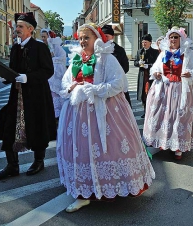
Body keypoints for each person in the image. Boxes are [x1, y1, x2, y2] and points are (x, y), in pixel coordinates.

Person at [57, 23, 155, 212]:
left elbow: (119, 83)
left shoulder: (106, 58)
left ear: (96, 39)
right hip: (78, 114)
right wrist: (71, 87)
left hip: (104, 110)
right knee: (81, 150)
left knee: (108, 149)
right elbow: (66, 80)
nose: (83, 41)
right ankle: (83, 192)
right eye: (81, 38)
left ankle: (112, 185)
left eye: (87, 38)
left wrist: (95, 89)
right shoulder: (77, 58)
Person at [0, 12, 56, 180]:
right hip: (17, 95)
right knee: (8, 125)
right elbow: (13, 71)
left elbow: (48, 71)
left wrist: (28, 77)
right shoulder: (15, 48)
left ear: (30, 29)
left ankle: (39, 161)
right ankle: (12, 165)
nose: (17, 29)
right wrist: (5, 77)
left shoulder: (40, 47)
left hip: (36, 95)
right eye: (16, 26)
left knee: (37, 125)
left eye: (20, 26)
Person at [143, 27, 193, 160]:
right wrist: (155, 73)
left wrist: (191, 72)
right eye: (171, 37)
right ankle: (163, 141)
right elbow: (156, 67)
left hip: (182, 88)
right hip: (164, 88)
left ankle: (178, 146)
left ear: (181, 39)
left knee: (180, 116)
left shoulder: (188, 53)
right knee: (164, 116)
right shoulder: (163, 53)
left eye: (176, 37)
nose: (173, 40)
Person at [101, 24, 131, 107]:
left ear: (112, 37)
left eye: (107, 36)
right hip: (102, 85)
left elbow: (126, 67)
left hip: (116, 84)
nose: (104, 39)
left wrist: (115, 76)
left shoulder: (119, 50)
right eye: (103, 36)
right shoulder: (98, 49)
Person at [42, 29, 67, 119]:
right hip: (45, 80)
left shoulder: (55, 47)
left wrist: (52, 60)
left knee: (55, 98)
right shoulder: (41, 47)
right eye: (42, 37)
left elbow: (62, 58)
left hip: (54, 79)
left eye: (44, 37)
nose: (43, 39)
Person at [134, 34, 159, 118]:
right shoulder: (139, 51)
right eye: (142, 42)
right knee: (143, 95)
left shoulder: (155, 52)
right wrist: (139, 63)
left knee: (150, 93)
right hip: (142, 76)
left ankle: (152, 111)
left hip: (150, 76)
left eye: (145, 42)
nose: (144, 44)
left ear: (150, 43)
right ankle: (145, 111)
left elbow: (157, 64)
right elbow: (135, 62)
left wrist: (148, 65)